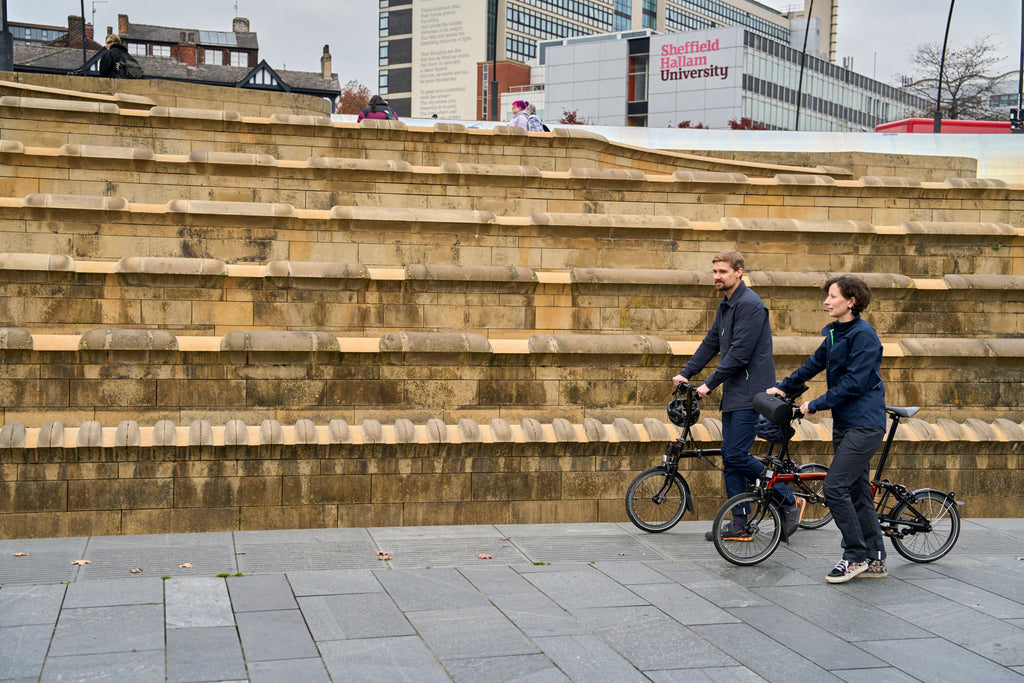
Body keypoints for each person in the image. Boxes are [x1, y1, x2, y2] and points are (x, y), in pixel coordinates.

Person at [674, 251, 802, 542]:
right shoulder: (726, 305)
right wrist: (686, 373)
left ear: (739, 272)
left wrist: (708, 383)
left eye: (723, 271)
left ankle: (786, 497)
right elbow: (711, 343)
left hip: (751, 393)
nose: (717, 276)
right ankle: (739, 523)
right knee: (731, 460)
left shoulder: (751, 305)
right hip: (734, 393)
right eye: (714, 271)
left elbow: (740, 354)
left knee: (735, 456)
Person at [767, 275, 887, 583]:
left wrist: (815, 404)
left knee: (834, 487)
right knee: (858, 490)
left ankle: (855, 556)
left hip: (866, 424)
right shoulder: (835, 333)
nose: (826, 301)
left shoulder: (864, 335)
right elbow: (813, 364)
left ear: (852, 301)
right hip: (846, 424)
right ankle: (875, 559)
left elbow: (855, 383)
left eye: (832, 296)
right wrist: (783, 387)